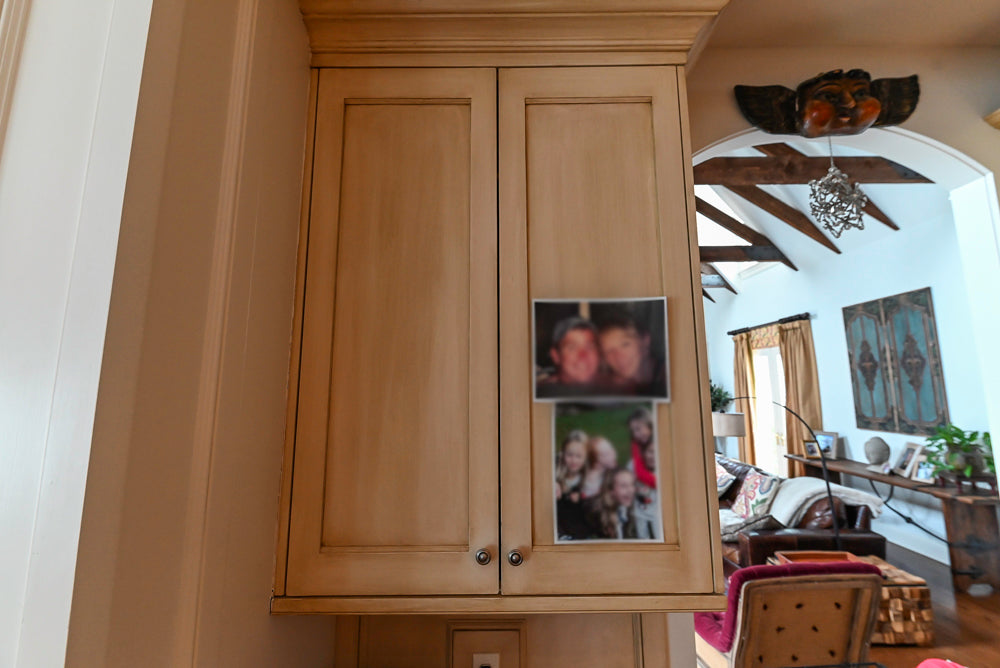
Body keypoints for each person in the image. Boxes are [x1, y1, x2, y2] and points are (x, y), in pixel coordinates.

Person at [596, 313, 666, 397]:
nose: (618, 356)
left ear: (645, 341)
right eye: (609, 351)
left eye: (625, 344)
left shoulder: (668, 376)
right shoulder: (612, 387)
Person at [536, 316, 603, 398]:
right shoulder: (545, 396)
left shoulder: (611, 390)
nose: (583, 355)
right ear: (556, 356)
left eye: (590, 347)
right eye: (572, 348)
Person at [588, 468, 657, 540]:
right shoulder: (595, 513)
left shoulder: (629, 510)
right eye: (624, 486)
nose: (631, 490)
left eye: (632, 484)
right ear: (610, 490)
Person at [555, 430, 590, 540]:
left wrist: (582, 497)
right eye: (569, 455)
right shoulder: (555, 472)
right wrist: (552, 483)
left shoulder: (588, 478)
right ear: (563, 454)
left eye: (579, 456)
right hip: (560, 530)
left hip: (581, 532)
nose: (573, 460)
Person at [580, 436, 618, 500]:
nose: (613, 454)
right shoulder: (587, 482)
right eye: (606, 454)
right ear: (596, 463)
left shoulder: (614, 472)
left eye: (612, 449)